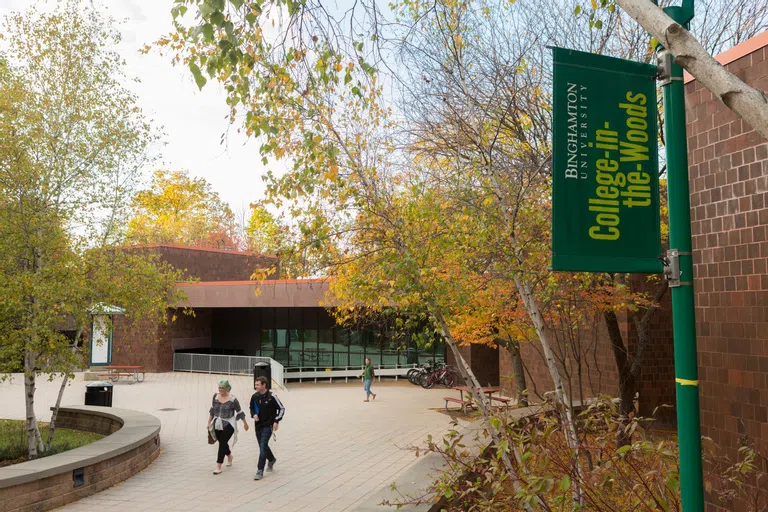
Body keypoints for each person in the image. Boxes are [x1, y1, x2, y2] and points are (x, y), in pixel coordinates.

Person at [207, 379, 249, 475]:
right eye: (219, 388)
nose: (221, 390)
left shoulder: (233, 399)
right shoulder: (215, 397)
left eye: (223, 388)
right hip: (217, 423)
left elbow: (239, 412)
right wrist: (209, 422)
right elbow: (212, 410)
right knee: (222, 442)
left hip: (229, 423)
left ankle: (218, 465)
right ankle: (229, 456)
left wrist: (245, 423)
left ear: (227, 388)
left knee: (222, 443)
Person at [249, 376, 285, 481]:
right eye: (255, 384)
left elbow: (281, 408)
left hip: (268, 425)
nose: (256, 386)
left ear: (264, 385)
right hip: (258, 425)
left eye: (257, 384)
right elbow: (251, 408)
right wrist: (253, 415)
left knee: (263, 445)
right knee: (262, 446)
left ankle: (259, 470)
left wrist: (277, 420)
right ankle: (272, 459)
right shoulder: (254, 396)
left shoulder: (272, 396)